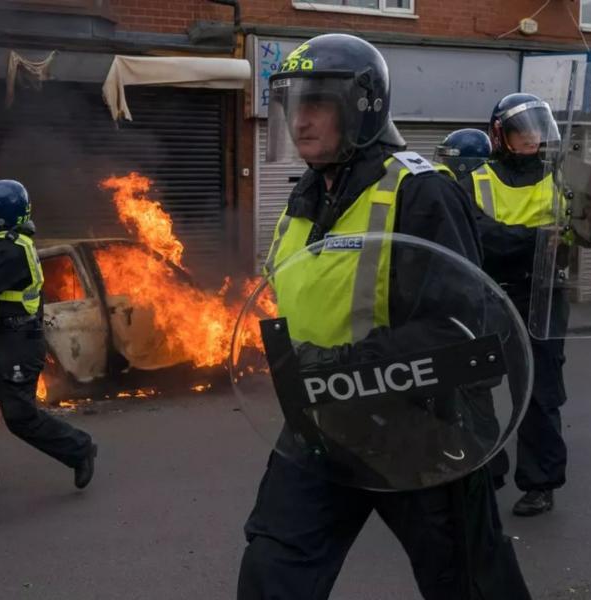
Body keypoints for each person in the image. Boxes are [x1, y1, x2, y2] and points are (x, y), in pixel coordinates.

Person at [238, 33, 531, 600]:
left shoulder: (419, 193)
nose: (301, 121)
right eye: (294, 105)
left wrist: (341, 365)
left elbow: (459, 331)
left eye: (317, 103)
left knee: (469, 583)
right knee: (272, 572)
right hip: (321, 429)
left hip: (419, 432)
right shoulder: (305, 199)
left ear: (362, 106)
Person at [0, 179, 97, 498]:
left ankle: (80, 449)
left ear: (1, 214)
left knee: (19, 416)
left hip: (17, 343)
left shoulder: (11, 248)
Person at [464, 93, 568, 517]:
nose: (532, 139)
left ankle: (541, 483)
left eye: (537, 130)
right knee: (475, 386)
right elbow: (483, 236)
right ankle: (487, 472)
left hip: (544, 294)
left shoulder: (560, 177)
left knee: (539, 393)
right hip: (491, 292)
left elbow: (579, 233)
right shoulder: (474, 178)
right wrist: (538, 239)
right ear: (499, 135)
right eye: (523, 131)